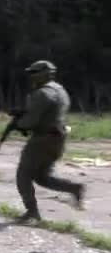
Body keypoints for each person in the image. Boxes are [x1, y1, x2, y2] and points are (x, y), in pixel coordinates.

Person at [14, 60, 85, 223]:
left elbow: (31, 121)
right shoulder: (60, 90)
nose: (31, 76)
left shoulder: (41, 93)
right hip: (58, 138)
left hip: (42, 139)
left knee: (23, 176)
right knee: (41, 177)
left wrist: (18, 123)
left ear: (43, 74)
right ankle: (73, 188)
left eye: (34, 73)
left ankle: (32, 212)